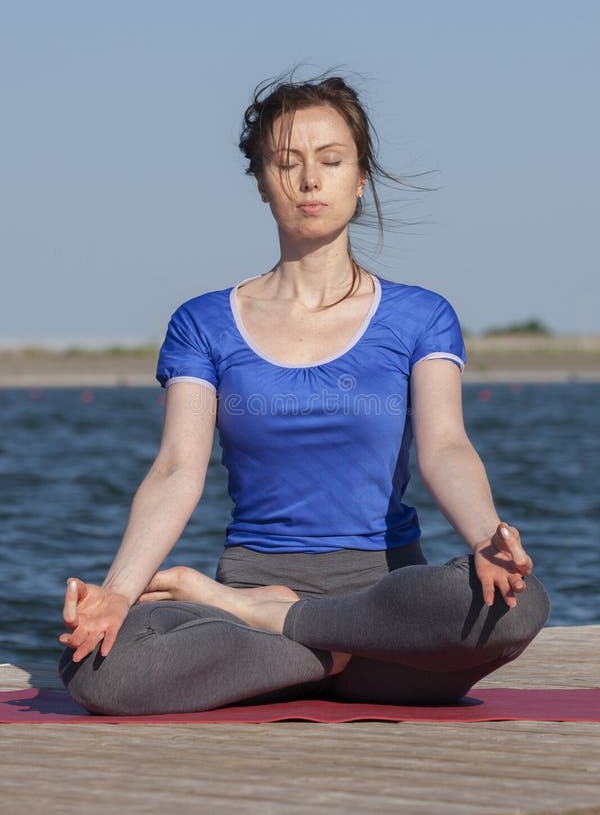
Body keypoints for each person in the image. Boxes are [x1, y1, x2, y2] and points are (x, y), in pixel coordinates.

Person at [59, 73, 549, 715]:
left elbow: (447, 449)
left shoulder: (419, 315)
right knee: (93, 667)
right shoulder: (203, 323)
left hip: (388, 601)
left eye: (331, 160)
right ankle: (308, 643)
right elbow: (178, 468)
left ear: (360, 176)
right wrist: (118, 593)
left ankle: (282, 627)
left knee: (522, 604)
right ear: (262, 183)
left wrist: (488, 539)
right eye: (286, 163)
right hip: (282, 598)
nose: (310, 181)